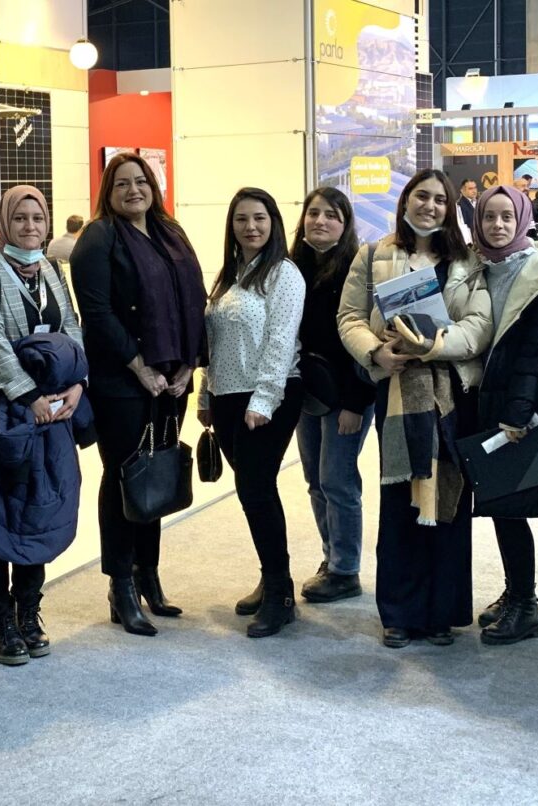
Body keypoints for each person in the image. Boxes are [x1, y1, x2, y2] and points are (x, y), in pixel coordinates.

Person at [337, 169, 491, 648]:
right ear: (405, 200)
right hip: (398, 394)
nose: (430, 206)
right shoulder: (373, 254)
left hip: (451, 396)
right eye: (421, 196)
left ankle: (441, 612)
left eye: (440, 199)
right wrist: (375, 353)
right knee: (400, 502)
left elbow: (479, 324)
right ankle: (400, 614)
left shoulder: (466, 261)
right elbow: (349, 317)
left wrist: (433, 346)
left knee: (448, 501)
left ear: (450, 208)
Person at [70, 154, 206, 636]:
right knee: (124, 478)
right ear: (108, 192)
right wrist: (139, 366)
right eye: (122, 183)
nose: (134, 190)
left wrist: (190, 362)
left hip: (172, 381)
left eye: (141, 181)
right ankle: (121, 584)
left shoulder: (172, 232)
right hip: (123, 381)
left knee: (158, 474)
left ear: (153, 186)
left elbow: (196, 298)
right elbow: (97, 312)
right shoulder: (99, 237)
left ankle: (148, 574)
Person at [0, 185, 84, 664]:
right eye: (21, 218)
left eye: (38, 218)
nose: (30, 226)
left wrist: (77, 384)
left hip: (52, 407)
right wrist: (29, 397)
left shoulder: (52, 269)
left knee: (39, 505)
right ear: (5, 222)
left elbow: (72, 329)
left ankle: (29, 607)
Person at [471, 184, 538, 646]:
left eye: (506, 217)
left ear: (522, 220)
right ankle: (515, 590)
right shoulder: (472, 269)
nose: (497, 225)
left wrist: (517, 413)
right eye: (489, 216)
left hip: (517, 407)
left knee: (509, 505)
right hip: (482, 400)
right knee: (499, 508)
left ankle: (525, 604)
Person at [199, 187, 306, 638]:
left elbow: (281, 340)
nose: (251, 226)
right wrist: (206, 396)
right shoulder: (229, 275)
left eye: (259, 218)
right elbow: (215, 343)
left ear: (273, 222)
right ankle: (271, 576)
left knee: (257, 489)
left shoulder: (284, 273)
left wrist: (263, 399)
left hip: (270, 397)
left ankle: (281, 593)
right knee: (252, 491)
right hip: (226, 396)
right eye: (242, 219)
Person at [292, 187, 374, 605]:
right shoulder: (291, 267)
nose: (320, 221)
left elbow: (368, 339)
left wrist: (355, 403)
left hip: (347, 396)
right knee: (314, 480)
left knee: (337, 480)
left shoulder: (357, 269)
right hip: (307, 393)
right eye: (314, 213)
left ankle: (345, 570)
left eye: (331, 215)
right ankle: (332, 557)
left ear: (345, 225)